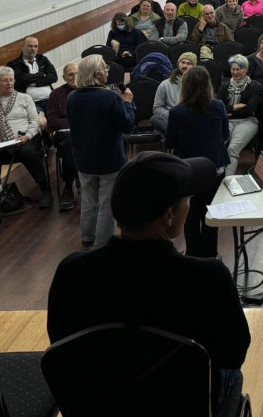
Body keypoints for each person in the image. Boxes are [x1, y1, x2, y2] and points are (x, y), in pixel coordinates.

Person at [48, 151, 250, 414]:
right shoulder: (209, 278)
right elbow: (234, 354)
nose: (189, 204)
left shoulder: (70, 274)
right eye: (186, 199)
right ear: (169, 216)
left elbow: (62, 348)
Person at [67, 54, 135, 248]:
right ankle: (102, 246)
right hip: (109, 160)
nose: (108, 72)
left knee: (88, 201)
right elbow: (127, 126)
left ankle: (87, 238)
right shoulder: (110, 96)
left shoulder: (72, 97)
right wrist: (128, 102)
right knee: (107, 204)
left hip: (82, 159)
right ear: (97, 74)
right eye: (105, 69)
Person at [165, 67, 228, 258]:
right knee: (211, 214)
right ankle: (211, 254)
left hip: (188, 172)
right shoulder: (218, 106)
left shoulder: (177, 112)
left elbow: (170, 143)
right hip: (215, 168)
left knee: (191, 217)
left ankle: (193, 254)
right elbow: (225, 135)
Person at [0, 65, 51, 215]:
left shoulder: (25, 98)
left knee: (27, 151)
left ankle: (45, 190)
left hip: (25, 139)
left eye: (11, 80)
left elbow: (35, 121)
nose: (9, 83)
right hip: (0, 143)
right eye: (5, 81)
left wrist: (27, 136)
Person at [217, 55, 263, 177]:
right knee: (218, 144)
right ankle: (217, 177)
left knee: (232, 149)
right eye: (233, 69)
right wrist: (234, 107)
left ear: (246, 69)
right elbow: (218, 107)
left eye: (239, 69)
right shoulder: (224, 86)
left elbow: (249, 109)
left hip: (248, 121)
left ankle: (228, 180)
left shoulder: (254, 86)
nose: (235, 72)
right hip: (227, 120)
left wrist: (228, 111)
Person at [44, 61, 80, 211]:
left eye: (77, 73)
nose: (74, 77)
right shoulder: (56, 94)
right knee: (69, 141)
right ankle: (72, 184)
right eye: (71, 74)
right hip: (64, 135)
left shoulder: (88, 90)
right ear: (64, 77)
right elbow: (52, 121)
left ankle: (71, 184)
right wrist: (75, 123)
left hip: (87, 134)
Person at [7, 36, 57, 114]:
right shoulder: (13, 64)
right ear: (22, 47)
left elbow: (53, 77)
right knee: (42, 121)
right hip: (29, 103)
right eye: (30, 46)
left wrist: (36, 83)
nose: (33, 49)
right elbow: (21, 80)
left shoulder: (43, 59)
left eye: (35, 46)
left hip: (50, 99)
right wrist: (41, 75)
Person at [152, 51, 196, 135]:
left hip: (193, 119)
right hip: (173, 119)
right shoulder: (165, 84)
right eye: (182, 62)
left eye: (189, 63)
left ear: (194, 67)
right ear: (178, 64)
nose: (184, 66)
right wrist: (174, 114)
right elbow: (157, 109)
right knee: (155, 119)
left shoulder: (198, 84)